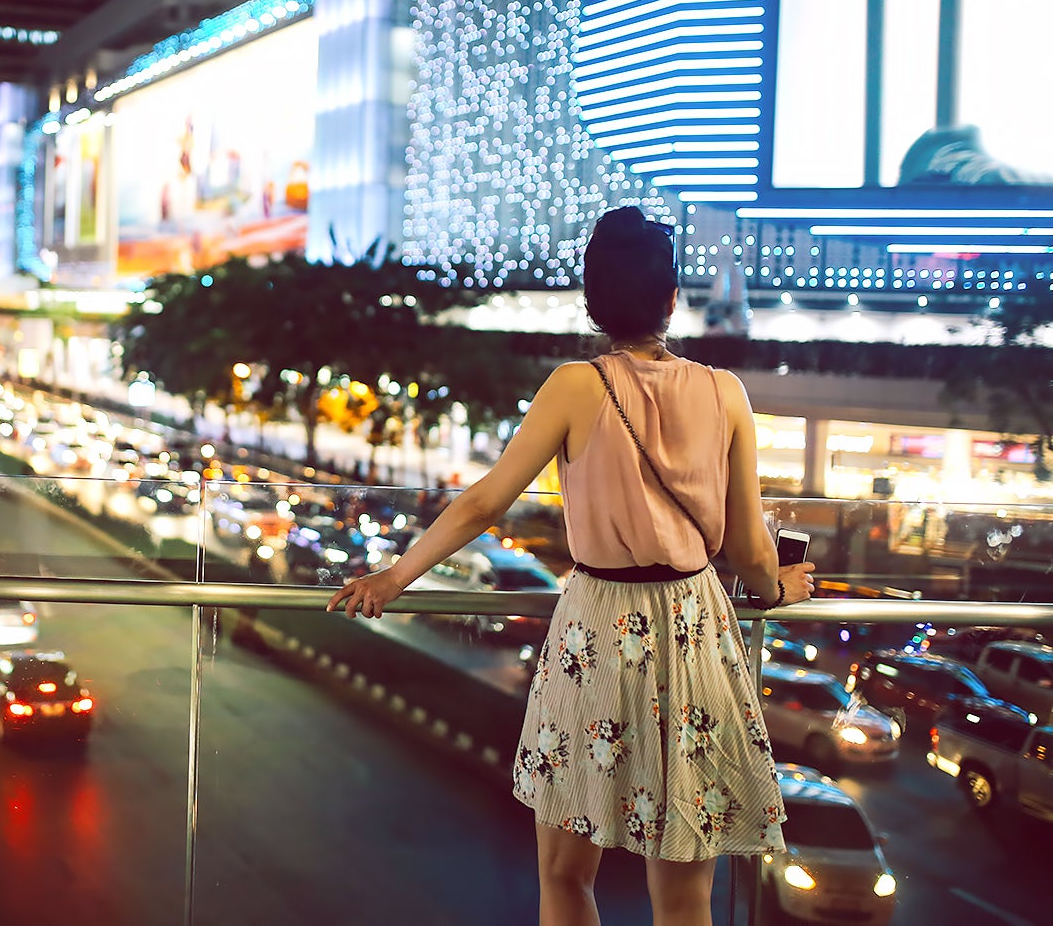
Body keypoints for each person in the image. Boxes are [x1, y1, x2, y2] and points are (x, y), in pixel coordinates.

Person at [328, 206, 815, 926]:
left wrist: (396, 575)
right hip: (694, 628)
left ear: (593, 303)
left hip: (598, 632)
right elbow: (748, 549)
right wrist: (781, 586)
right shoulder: (726, 393)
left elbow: (486, 500)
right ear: (672, 298)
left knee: (564, 874)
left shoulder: (574, 385)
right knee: (684, 894)